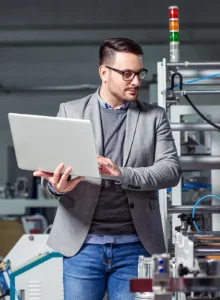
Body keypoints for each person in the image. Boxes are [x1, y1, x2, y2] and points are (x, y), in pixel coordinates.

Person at [33, 37, 181, 300]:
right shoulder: (70, 112)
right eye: (127, 74)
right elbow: (50, 175)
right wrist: (56, 186)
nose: (136, 81)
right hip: (82, 247)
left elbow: (170, 170)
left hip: (137, 248)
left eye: (139, 73)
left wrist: (122, 174)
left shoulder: (155, 116)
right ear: (104, 72)